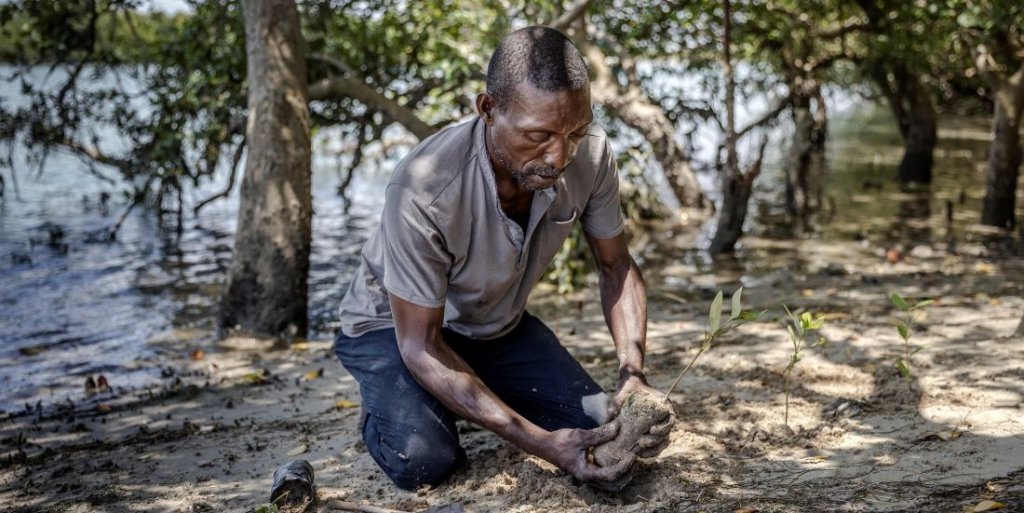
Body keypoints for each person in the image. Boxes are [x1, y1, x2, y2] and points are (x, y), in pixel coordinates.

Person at [334, 25, 673, 491]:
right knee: (427, 461)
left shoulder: (591, 156)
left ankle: (462, 393)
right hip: (395, 330)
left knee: (604, 433)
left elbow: (617, 266)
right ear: (488, 109)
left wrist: (633, 375)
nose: (560, 155)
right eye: (539, 135)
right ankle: (389, 405)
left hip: (492, 327)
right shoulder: (423, 186)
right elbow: (422, 346)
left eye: (576, 131)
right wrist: (543, 444)